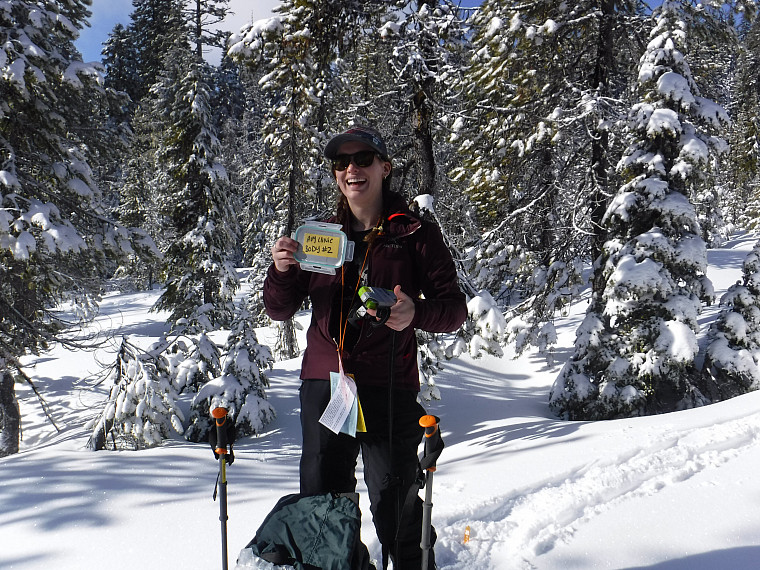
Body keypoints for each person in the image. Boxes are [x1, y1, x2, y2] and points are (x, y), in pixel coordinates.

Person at [264, 125, 467, 570]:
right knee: (323, 506)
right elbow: (279, 309)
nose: (352, 169)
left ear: (385, 168)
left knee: (396, 503)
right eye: (342, 162)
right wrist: (281, 271)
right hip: (326, 382)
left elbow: (454, 310)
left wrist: (416, 314)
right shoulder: (318, 236)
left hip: (388, 384)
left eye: (363, 159)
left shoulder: (415, 234)